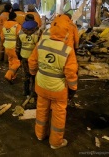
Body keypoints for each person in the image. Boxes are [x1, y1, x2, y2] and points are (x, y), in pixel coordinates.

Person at [28, 14, 78, 150]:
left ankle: (39, 134)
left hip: (41, 84)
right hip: (58, 89)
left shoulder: (42, 43)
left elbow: (32, 61)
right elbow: (70, 73)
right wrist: (73, 88)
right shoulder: (67, 50)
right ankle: (55, 142)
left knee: (41, 109)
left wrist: (33, 73)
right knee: (58, 115)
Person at [16, 14, 41, 98]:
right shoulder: (38, 32)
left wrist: (19, 57)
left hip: (24, 56)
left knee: (26, 75)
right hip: (34, 58)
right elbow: (40, 47)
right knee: (34, 75)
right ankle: (33, 92)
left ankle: (25, 91)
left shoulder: (20, 32)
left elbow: (18, 46)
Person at [1, 11, 22, 83]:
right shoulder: (17, 25)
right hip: (14, 46)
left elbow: (2, 37)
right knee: (17, 62)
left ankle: (13, 76)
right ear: (15, 17)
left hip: (7, 46)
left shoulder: (4, 24)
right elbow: (20, 36)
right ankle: (8, 75)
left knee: (11, 61)